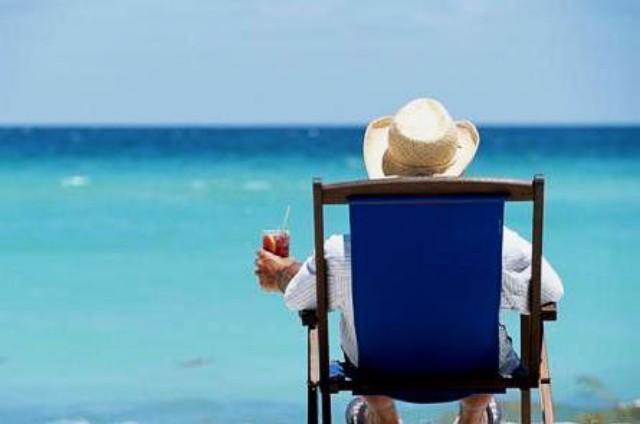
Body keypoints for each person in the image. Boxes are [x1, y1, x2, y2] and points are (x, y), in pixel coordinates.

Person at [255, 98, 564, 424]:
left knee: (358, 329)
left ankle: (380, 412)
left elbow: (299, 298)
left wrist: (283, 272)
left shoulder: (343, 253)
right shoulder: (499, 245)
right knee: (483, 340)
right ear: (457, 169)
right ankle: (476, 412)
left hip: (377, 370)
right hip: (475, 367)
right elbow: (549, 291)